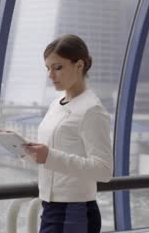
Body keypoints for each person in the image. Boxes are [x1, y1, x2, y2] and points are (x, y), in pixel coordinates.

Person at [23, 34, 113, 233]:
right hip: (50, 207)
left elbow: (104, 170)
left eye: (58, 67)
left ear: (79, 65)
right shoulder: (56, 104)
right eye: (47, 68)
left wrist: (49, 156)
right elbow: (52, 154)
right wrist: (25, 150)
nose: (50, 75)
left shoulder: (92, 110)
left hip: (75, 211)